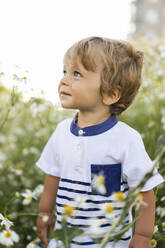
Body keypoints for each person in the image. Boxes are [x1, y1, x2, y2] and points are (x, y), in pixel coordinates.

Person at [36, 36, 164, 248]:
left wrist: (142, 235)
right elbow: (53, 176)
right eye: (64, 71)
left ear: (110, 93)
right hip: (63, 241)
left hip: (108, 243)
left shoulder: (125, 139)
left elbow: (144, 190)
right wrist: (45, 212)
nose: (64, 80)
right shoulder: (61, 132)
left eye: (76, 74)